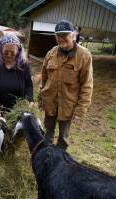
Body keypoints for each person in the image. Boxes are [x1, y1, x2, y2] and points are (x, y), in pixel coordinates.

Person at [40, 20, 93, 150]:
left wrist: (81, 108)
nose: (61, 39)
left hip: (68, 105)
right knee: (48, 133)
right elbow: (44, 78)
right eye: (58, 36)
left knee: (63, 138)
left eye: (65, 35)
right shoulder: (51, 53)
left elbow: (87, 84)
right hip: (50, 101)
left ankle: (59, 160)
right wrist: (40, 98)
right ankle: (46, 156)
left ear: (73, 36)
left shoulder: (84, 55)